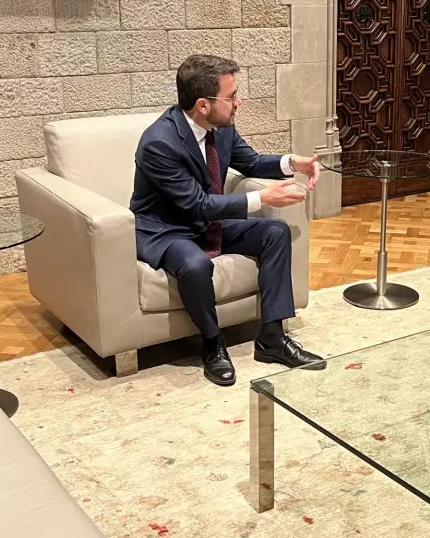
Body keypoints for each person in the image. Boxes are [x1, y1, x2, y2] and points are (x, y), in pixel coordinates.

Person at [130, 54, 327, 386]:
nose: (239, 102)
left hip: (206, 223)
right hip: (167, 230)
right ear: (203, 105)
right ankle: (212, 342)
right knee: (195, 265)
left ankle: (272, 339)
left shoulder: (220, 129)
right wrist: (263, 198)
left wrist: (295, 162)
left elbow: (251, 162)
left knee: (275, 233)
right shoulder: (159, 143)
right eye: (232, 96)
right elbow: (197, 204)